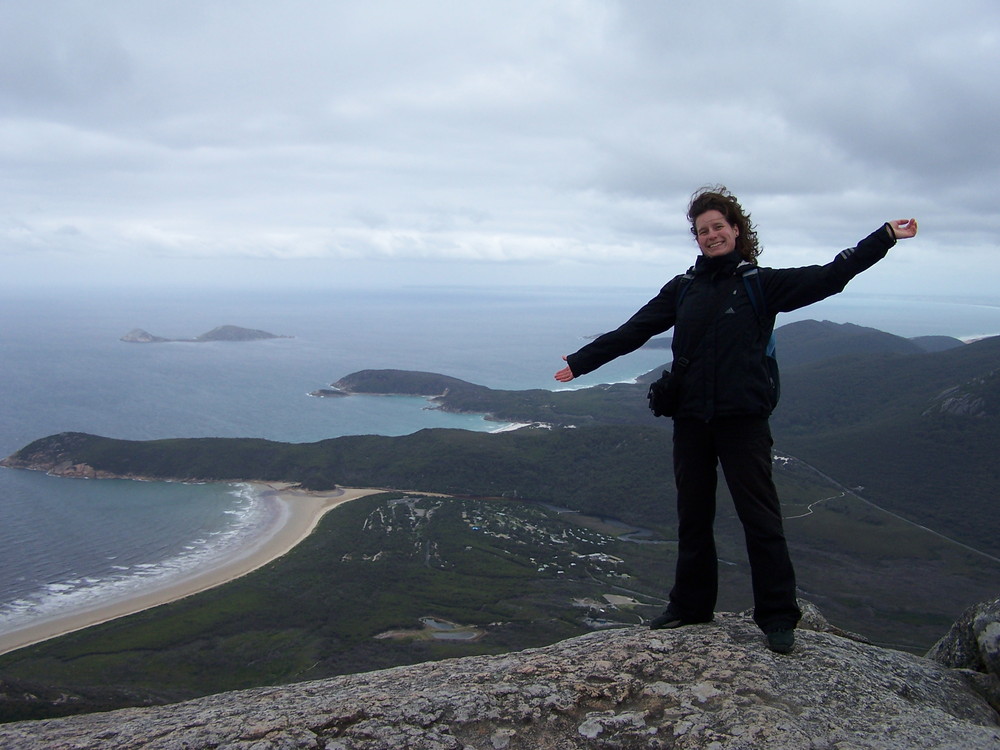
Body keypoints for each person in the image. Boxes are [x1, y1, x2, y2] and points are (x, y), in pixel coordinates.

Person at [554, 186, 917, 654]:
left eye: (718, 227)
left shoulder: (759, 285)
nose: (711, 236)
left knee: (760, 518)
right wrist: (583, 361)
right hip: (691, 420)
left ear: (736, 230)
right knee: (693, 516)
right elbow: (635, 330)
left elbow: (831, 275)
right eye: (702, 231)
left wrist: (884, 236)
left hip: (743, 421)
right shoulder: (682, 289)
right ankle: (690, 606)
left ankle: (778, 616)